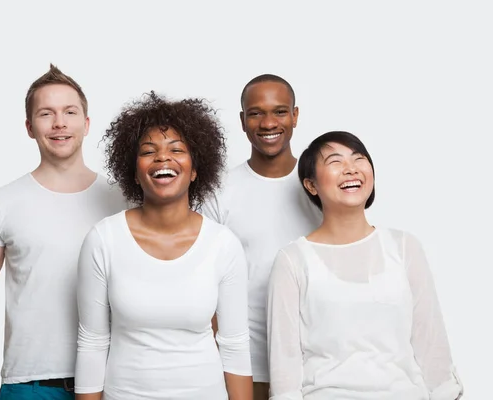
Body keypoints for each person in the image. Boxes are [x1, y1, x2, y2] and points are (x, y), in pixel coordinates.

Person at [0, 64, 128, 400]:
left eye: (70, 112)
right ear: (29, 127)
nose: (59, 123)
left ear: (87, 123)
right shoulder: (3, 201)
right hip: (30, 384)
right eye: (46, 113)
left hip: (113, 378)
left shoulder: (122, 199)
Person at [74, 92, 253, 400]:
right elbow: (92, 342)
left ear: (196, 169)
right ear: (134, 171)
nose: (162, 158)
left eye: (177, 149)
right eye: (149, 151)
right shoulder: (104, 239)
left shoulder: (222, 245)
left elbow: (235, 344)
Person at [266, 131, 463, 399]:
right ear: (311, 185)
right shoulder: (293, 260)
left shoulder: (404, 247)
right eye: (335, 162)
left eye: (359, 159)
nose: (351, 169)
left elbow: (431, 343)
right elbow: (284, 367)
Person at [202, 74, 322, 399]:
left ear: (295, 115)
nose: (268, 122)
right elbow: (203, 281)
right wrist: (220, 359)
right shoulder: (219, 191)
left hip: (315, 364)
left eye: (280, 111)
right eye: (256, 113)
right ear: (242, 121)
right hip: (245, 366)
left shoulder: (321, 187)